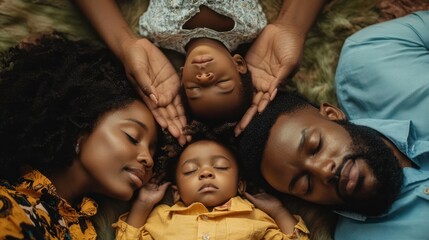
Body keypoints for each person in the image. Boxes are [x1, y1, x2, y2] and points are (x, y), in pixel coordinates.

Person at [238, 11, 429, 240]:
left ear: (331, 114)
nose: (323, 171)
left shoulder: (372, 57)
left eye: (316, 145)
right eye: (306, 184)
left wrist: (290, 26)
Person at [73, 0, 327, 139]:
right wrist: (292, 26)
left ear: (182, 74)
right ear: (239, 64)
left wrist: (125, 43)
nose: (205, 76)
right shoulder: (252, 26)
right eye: (221, 84)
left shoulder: (157, 31)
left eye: (195, 88)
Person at [0, 33, 159, 239]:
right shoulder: (7, 205)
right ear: (79, 129)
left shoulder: (83, 230)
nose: (148, 159)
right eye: (132, 136)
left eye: (153, 149)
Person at [113, 122, 310, 239]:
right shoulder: (162, 218)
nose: (206, 172)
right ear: (176, 192)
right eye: (190, 170)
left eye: (220, 167)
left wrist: (278, 211)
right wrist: (142, 205)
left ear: (240, 185)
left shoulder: (255, 217)